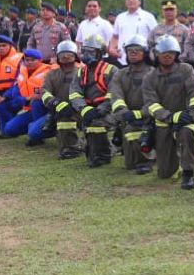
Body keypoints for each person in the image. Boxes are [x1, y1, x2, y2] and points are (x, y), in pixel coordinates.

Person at [143, 36, 194, 189]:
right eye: (163, 53)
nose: (167, 55)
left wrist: (192, 114)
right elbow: (151, 104)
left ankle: (188, 173)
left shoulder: (186, 70)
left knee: (187, 134)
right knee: (165, 173)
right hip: (162, 122)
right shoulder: (150, 77)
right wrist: (168, 116)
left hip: (185, 118)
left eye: (171, 52)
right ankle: (172, 161)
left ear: (176, 54)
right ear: (156, 55)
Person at [69, 34, 118, 167]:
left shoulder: (111, 70)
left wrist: (100, 110)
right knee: (67, 120)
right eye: (84, 51)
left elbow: (114, 94)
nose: (86, 55)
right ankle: (71, 149)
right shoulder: (80, 72)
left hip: (109, 111)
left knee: (96, 125)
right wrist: (84, 109)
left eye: (90, 52)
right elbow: (74, 93)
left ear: (100, 54)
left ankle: (104, 155)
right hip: (87, 111)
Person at [109, 35, 156, 173]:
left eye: (137, 50)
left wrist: (141, 113)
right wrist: (124, 113)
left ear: (145, 52)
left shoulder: (154, 74)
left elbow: (155, 100)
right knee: (129, 164)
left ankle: (147, 159)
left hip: (151, 118)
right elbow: (116, 96)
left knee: (134, 130)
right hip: (127, 117)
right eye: (130, 50)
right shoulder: (120, 74)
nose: (133, 53)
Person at [40, 40, 84, 158]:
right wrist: (55, 102)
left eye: (69, 54)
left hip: (81, 110)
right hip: (58, 110)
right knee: (35, 133)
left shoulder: (83, 72)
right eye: (62, 54)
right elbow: (44, 92)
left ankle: (76, 146)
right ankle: (68, 145)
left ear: (75, 55)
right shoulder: (51, 74)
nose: (65, 56)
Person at [0, 49, 53, 140]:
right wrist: (26, 99)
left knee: (36, 103)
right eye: (27, 60)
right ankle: (34, 128)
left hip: (46, 108)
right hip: (29, 108)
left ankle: (42, 133)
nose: (29, 62)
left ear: (40, 60)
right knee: (9, 129)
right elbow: (15, 95)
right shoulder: (22, 72)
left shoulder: (49, 72)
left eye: (33, 60)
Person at [0, 35, 25, 137]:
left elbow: (18, 81)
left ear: (11, 46)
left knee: (4, 107)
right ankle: (9, 129)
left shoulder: (20, 59)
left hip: (15, 93)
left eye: (4, 45)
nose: (1, 48)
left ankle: (13, 127)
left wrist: (4, 96)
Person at [109, 0, 158, 64]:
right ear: (125, 2)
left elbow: (156, 36)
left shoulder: (148, 17)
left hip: (143, 59)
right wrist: (112, 48)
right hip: (122, 59)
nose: (131, 1)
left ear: (139, 2)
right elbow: (115, 36)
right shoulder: (120, 17)